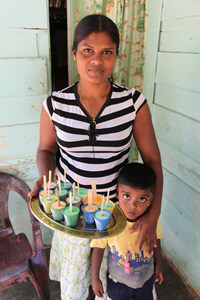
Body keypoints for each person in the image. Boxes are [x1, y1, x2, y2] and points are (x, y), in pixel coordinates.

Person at [28, 14, 163, 300]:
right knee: (77, 288)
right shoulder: (55, 105)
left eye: (107, 52)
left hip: (116, 218)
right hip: (72, 214)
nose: (96, 61)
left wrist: (153, 215)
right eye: (88, 50)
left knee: (113, 289)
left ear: (116, 56)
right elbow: (46, 149)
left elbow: (152, 162)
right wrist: (45, 177)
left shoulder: (133, 104)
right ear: (74, 53)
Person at [91, 162, 164, 300]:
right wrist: (95, 278)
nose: (133, 205)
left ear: (151, 199)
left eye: (142, 199)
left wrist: (158, 264)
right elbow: (98, 248)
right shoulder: (109, 221)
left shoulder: (152, 221)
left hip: (146, 281)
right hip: (118, 282)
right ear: (117, 193)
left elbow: (156, 241)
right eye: (126, 196)